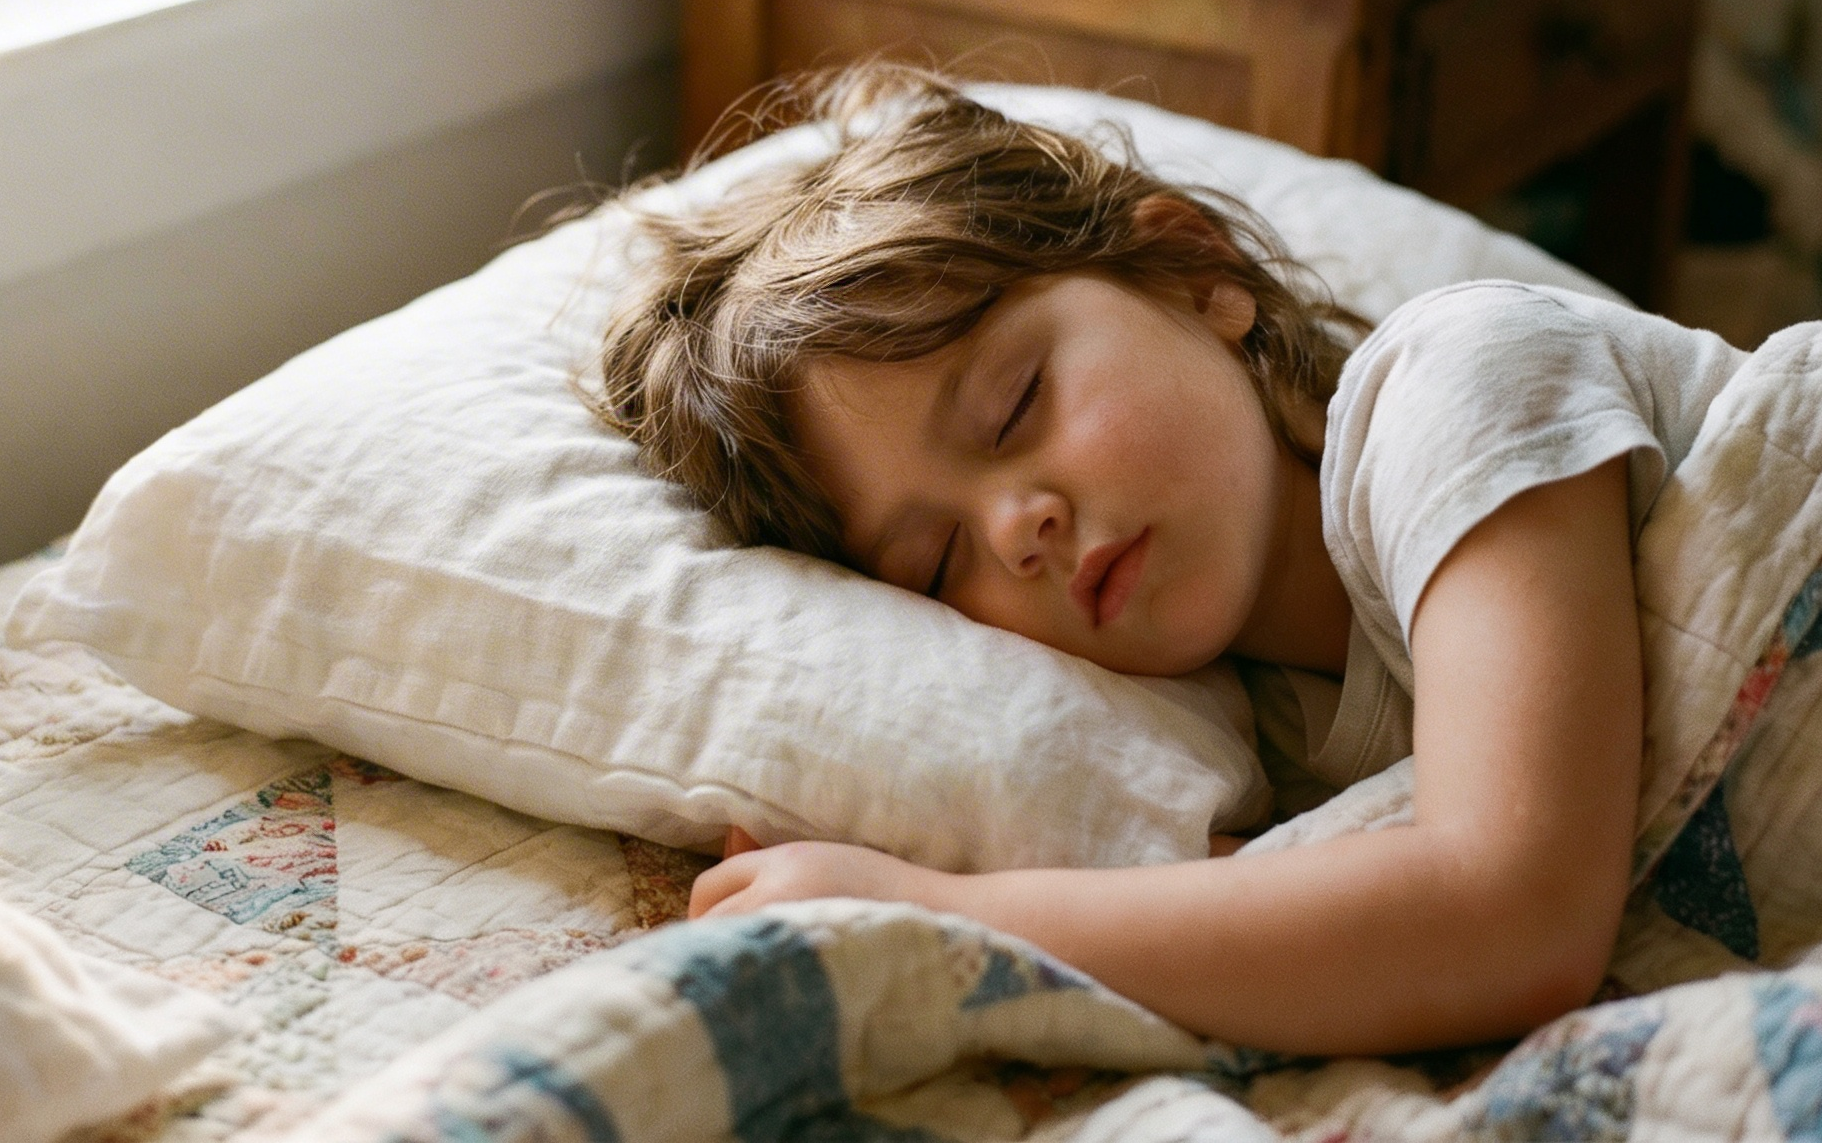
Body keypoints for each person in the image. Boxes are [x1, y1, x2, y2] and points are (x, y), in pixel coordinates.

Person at [597, 65, 1746, 1057]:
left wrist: (928, 910)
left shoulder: (1461, 385)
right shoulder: (1276, 737)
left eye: (1015, 406)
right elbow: (1323, 930)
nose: (1015, 528)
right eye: (939, 561)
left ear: (1198, 274)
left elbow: (1511, 915)